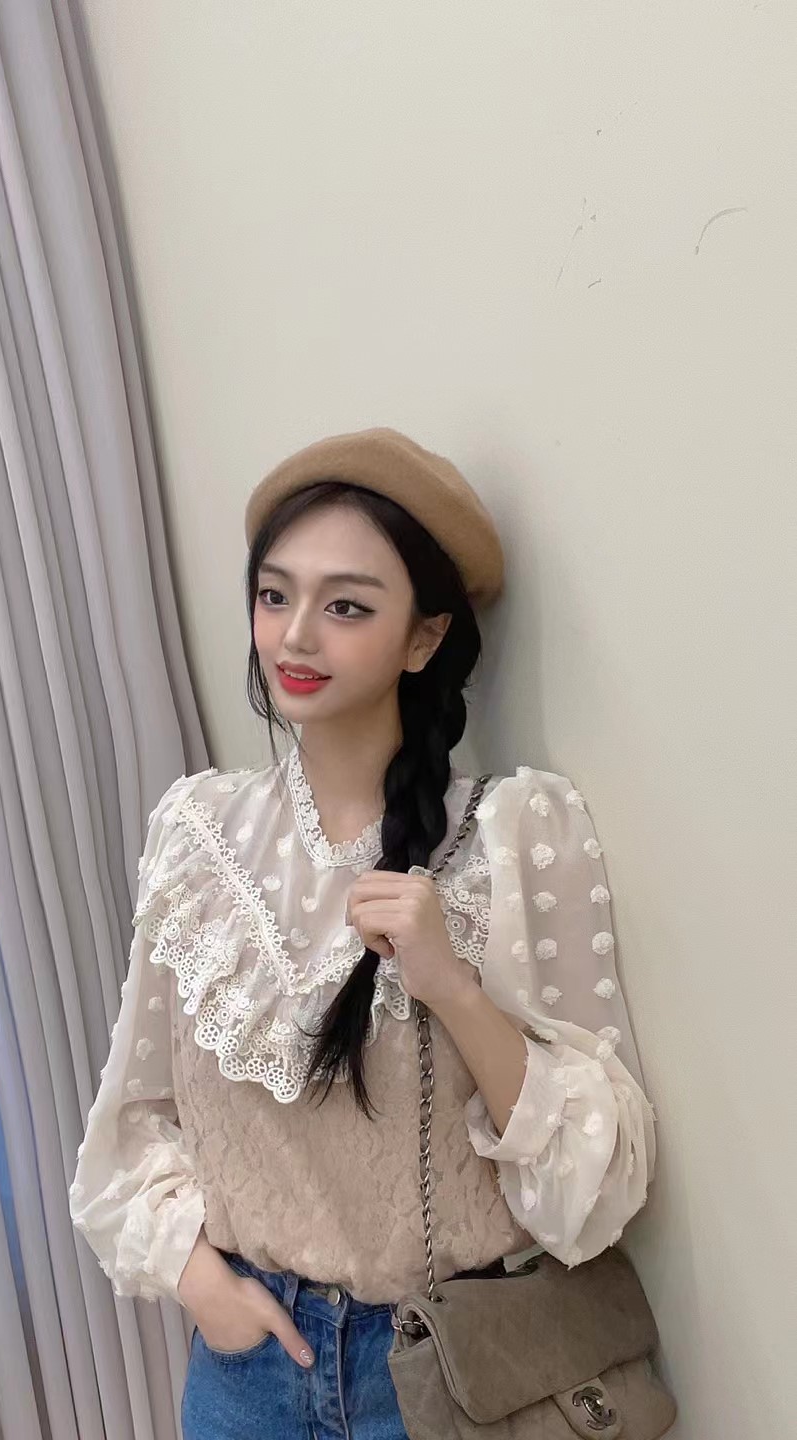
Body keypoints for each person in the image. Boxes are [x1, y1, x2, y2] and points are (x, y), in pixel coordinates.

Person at [70, 427, 656, 1440]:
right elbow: (134, 1115)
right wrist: (199, 1279)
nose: (295, 635)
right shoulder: (197, 833)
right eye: (274, 596)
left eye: (345, 605)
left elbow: (592, 1187)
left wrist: (451, 987)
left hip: (452, 1373)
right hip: (246, 1374)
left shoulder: (513, 833)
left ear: (423, 639)